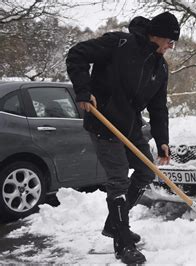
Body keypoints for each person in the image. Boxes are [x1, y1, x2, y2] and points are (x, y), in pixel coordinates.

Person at [66, 12, 180, 264]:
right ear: (158, 34)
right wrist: (84, 91)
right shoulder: (119, 44)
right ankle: (123, 243)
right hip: (103, 122)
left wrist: (162, 141)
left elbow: (159, 107)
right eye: (170, 42)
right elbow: (77, 55)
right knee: (118, 180)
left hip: (130, 126)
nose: (170, 47)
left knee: (146, 172)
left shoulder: (160, 67)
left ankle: (114, 224)